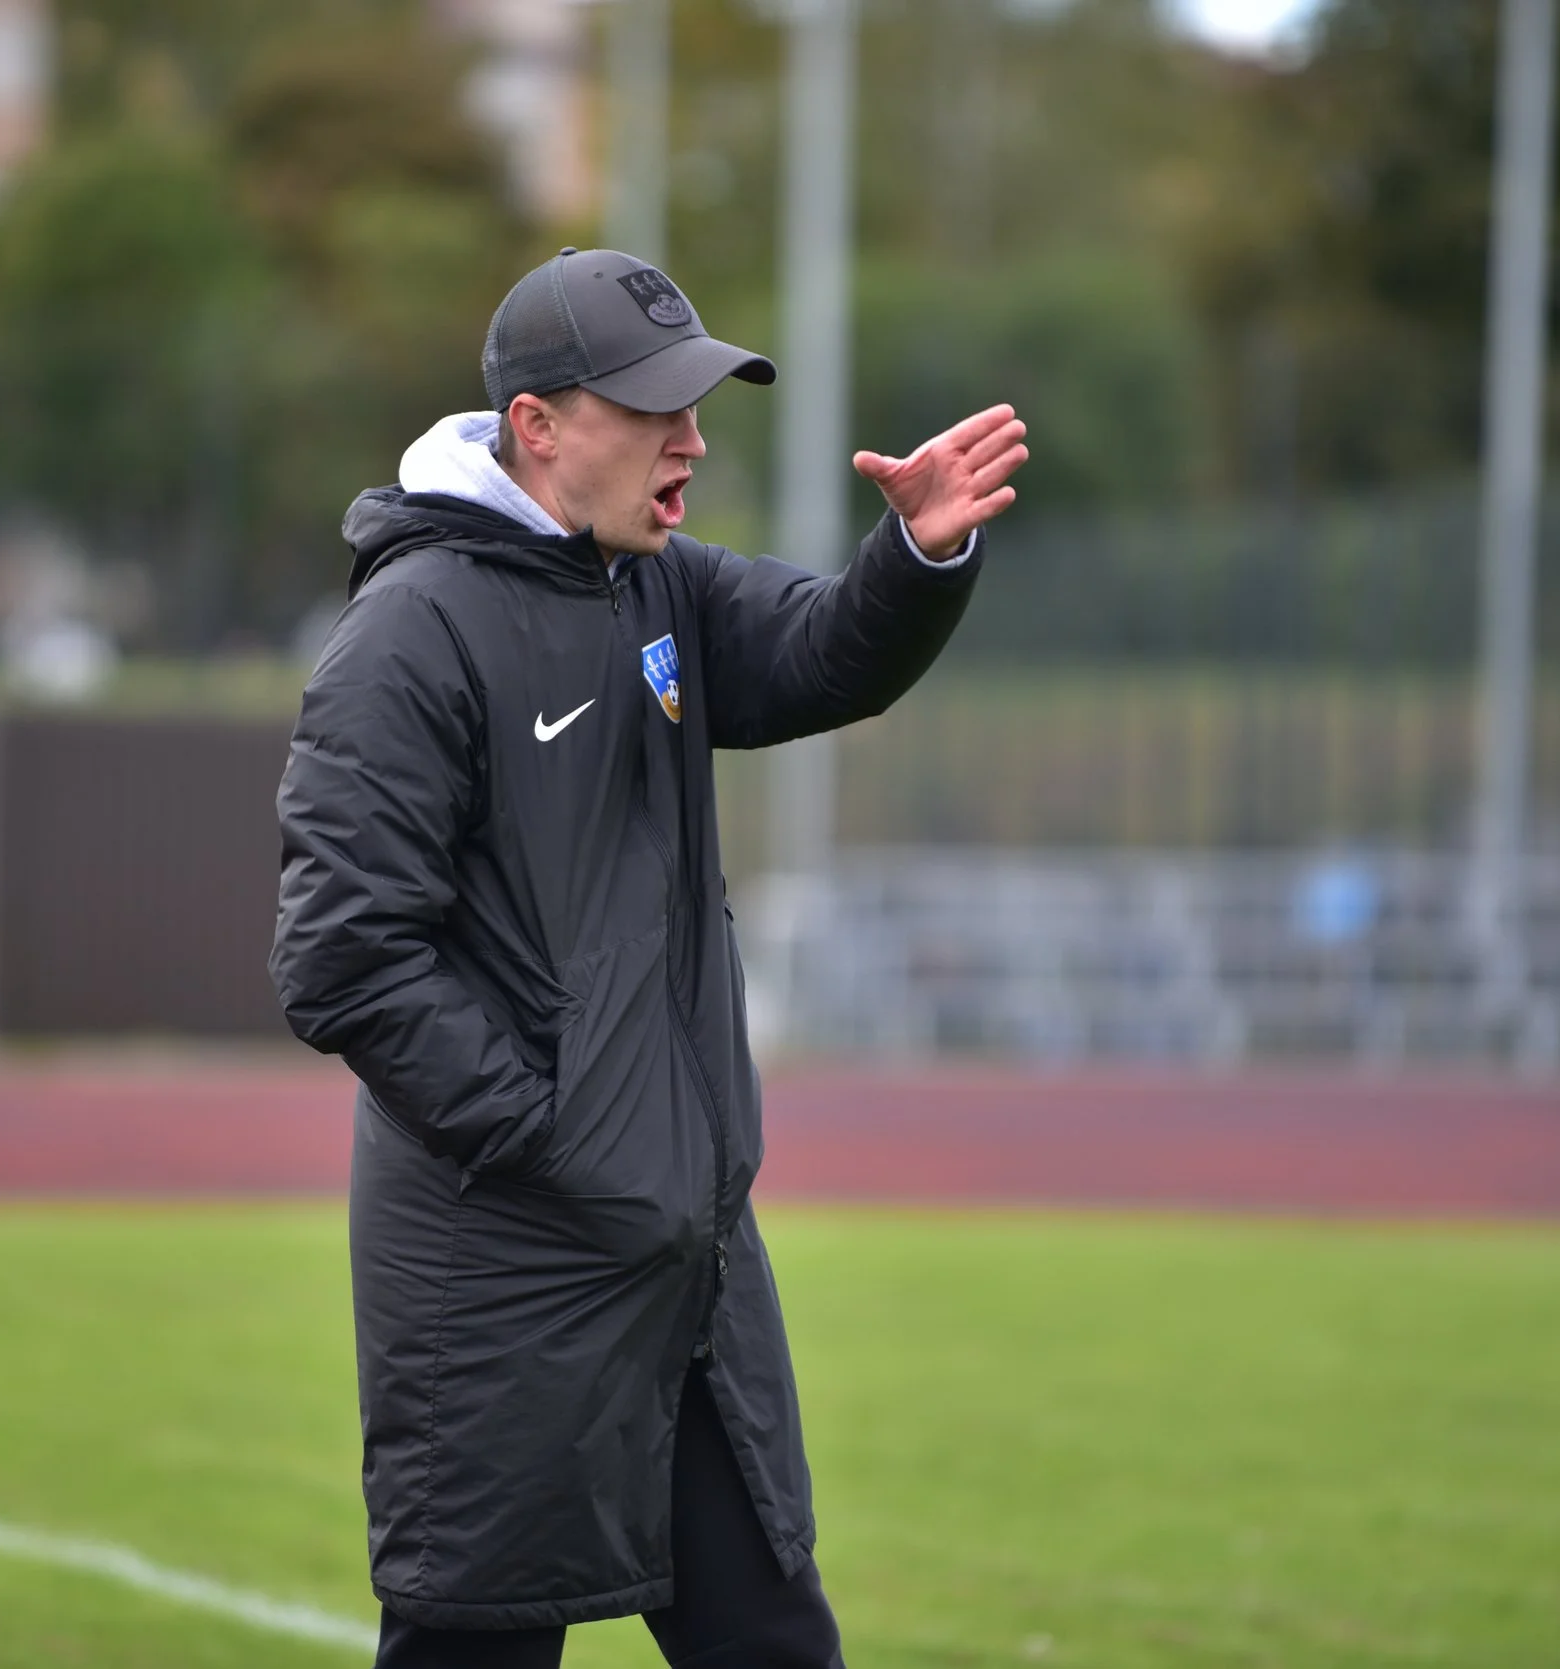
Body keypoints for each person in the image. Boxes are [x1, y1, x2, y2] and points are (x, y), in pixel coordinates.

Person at [271, 247, 1025, 1666]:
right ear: (539, 426)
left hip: (686, 1262)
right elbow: (342, 957)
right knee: (475, 1641)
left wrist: (919, 556)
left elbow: (822, 653)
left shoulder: (654, 586)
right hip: (505, 1270)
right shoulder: (409, 636)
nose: (691, 439)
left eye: (698, 404)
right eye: (653, 407)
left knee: (772, 1640)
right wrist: (555, 1133)